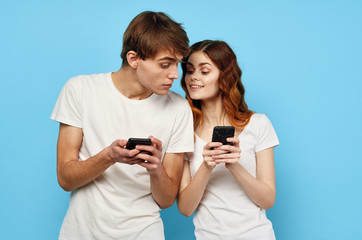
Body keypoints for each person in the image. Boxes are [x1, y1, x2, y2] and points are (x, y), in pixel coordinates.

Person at [51, 11, 194, 240]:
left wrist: (156, 168)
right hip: (82, 233)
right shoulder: (80, 90)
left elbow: (166, 201)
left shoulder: (179, 108)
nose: (175, 75)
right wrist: (109, 156)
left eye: (177, 64)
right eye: (165, 65)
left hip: (145, 232)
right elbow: (65, 179)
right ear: (133, 59)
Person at [177, 40, 279, 239]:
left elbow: (267, 200)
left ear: (225, 76)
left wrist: (234, 165)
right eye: (190, 71)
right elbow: (185, 208)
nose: (193, 77)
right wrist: (207, 166)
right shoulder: (184, 130)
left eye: (204, 71)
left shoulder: (258, 124)